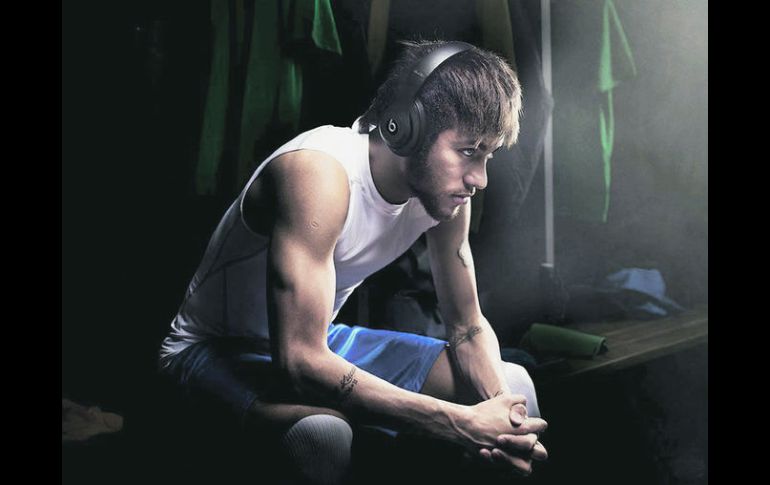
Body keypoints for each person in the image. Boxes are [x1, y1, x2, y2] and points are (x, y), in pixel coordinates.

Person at [158, 40, 548, 484]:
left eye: (487, 155)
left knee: (516, 388)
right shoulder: (319, 174)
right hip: (213, 350)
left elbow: (467, 326)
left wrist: (499, 414)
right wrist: (459, 422)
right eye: (468, 151)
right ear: (408, 128)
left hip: (321, 339)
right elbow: (299, 362)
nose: (479, 178)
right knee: (321, 436)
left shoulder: (448, 196)